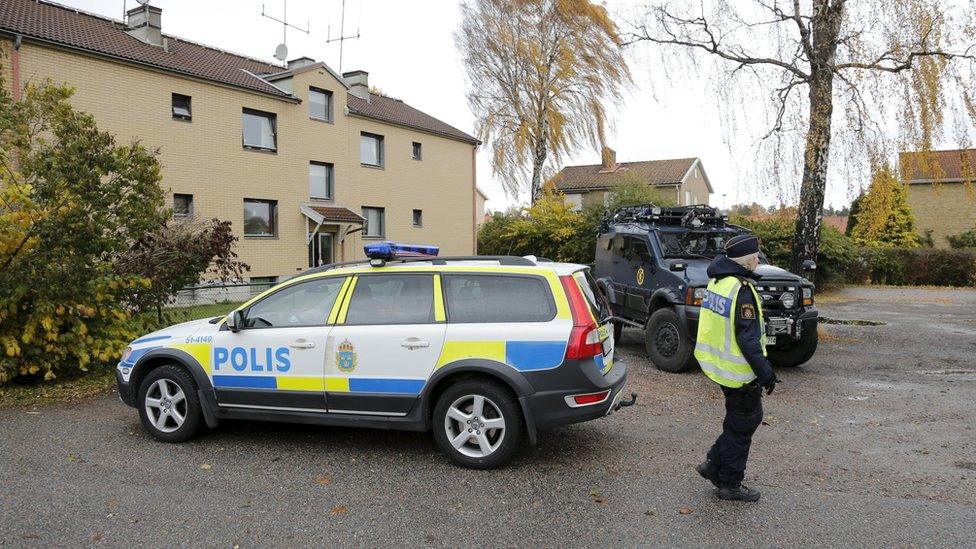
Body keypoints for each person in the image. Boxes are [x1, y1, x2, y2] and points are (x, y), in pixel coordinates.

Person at [694, 234, 778, 502]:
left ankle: (713, 463)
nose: (757, 259)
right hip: (739, 372)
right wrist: (766, 374)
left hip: (720, 367)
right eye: (756, 255)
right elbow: (748, 338)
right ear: (747, 259)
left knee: (739, 421)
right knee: (744, 425)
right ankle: (730, 483)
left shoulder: (719, 281)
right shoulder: (741, 289)